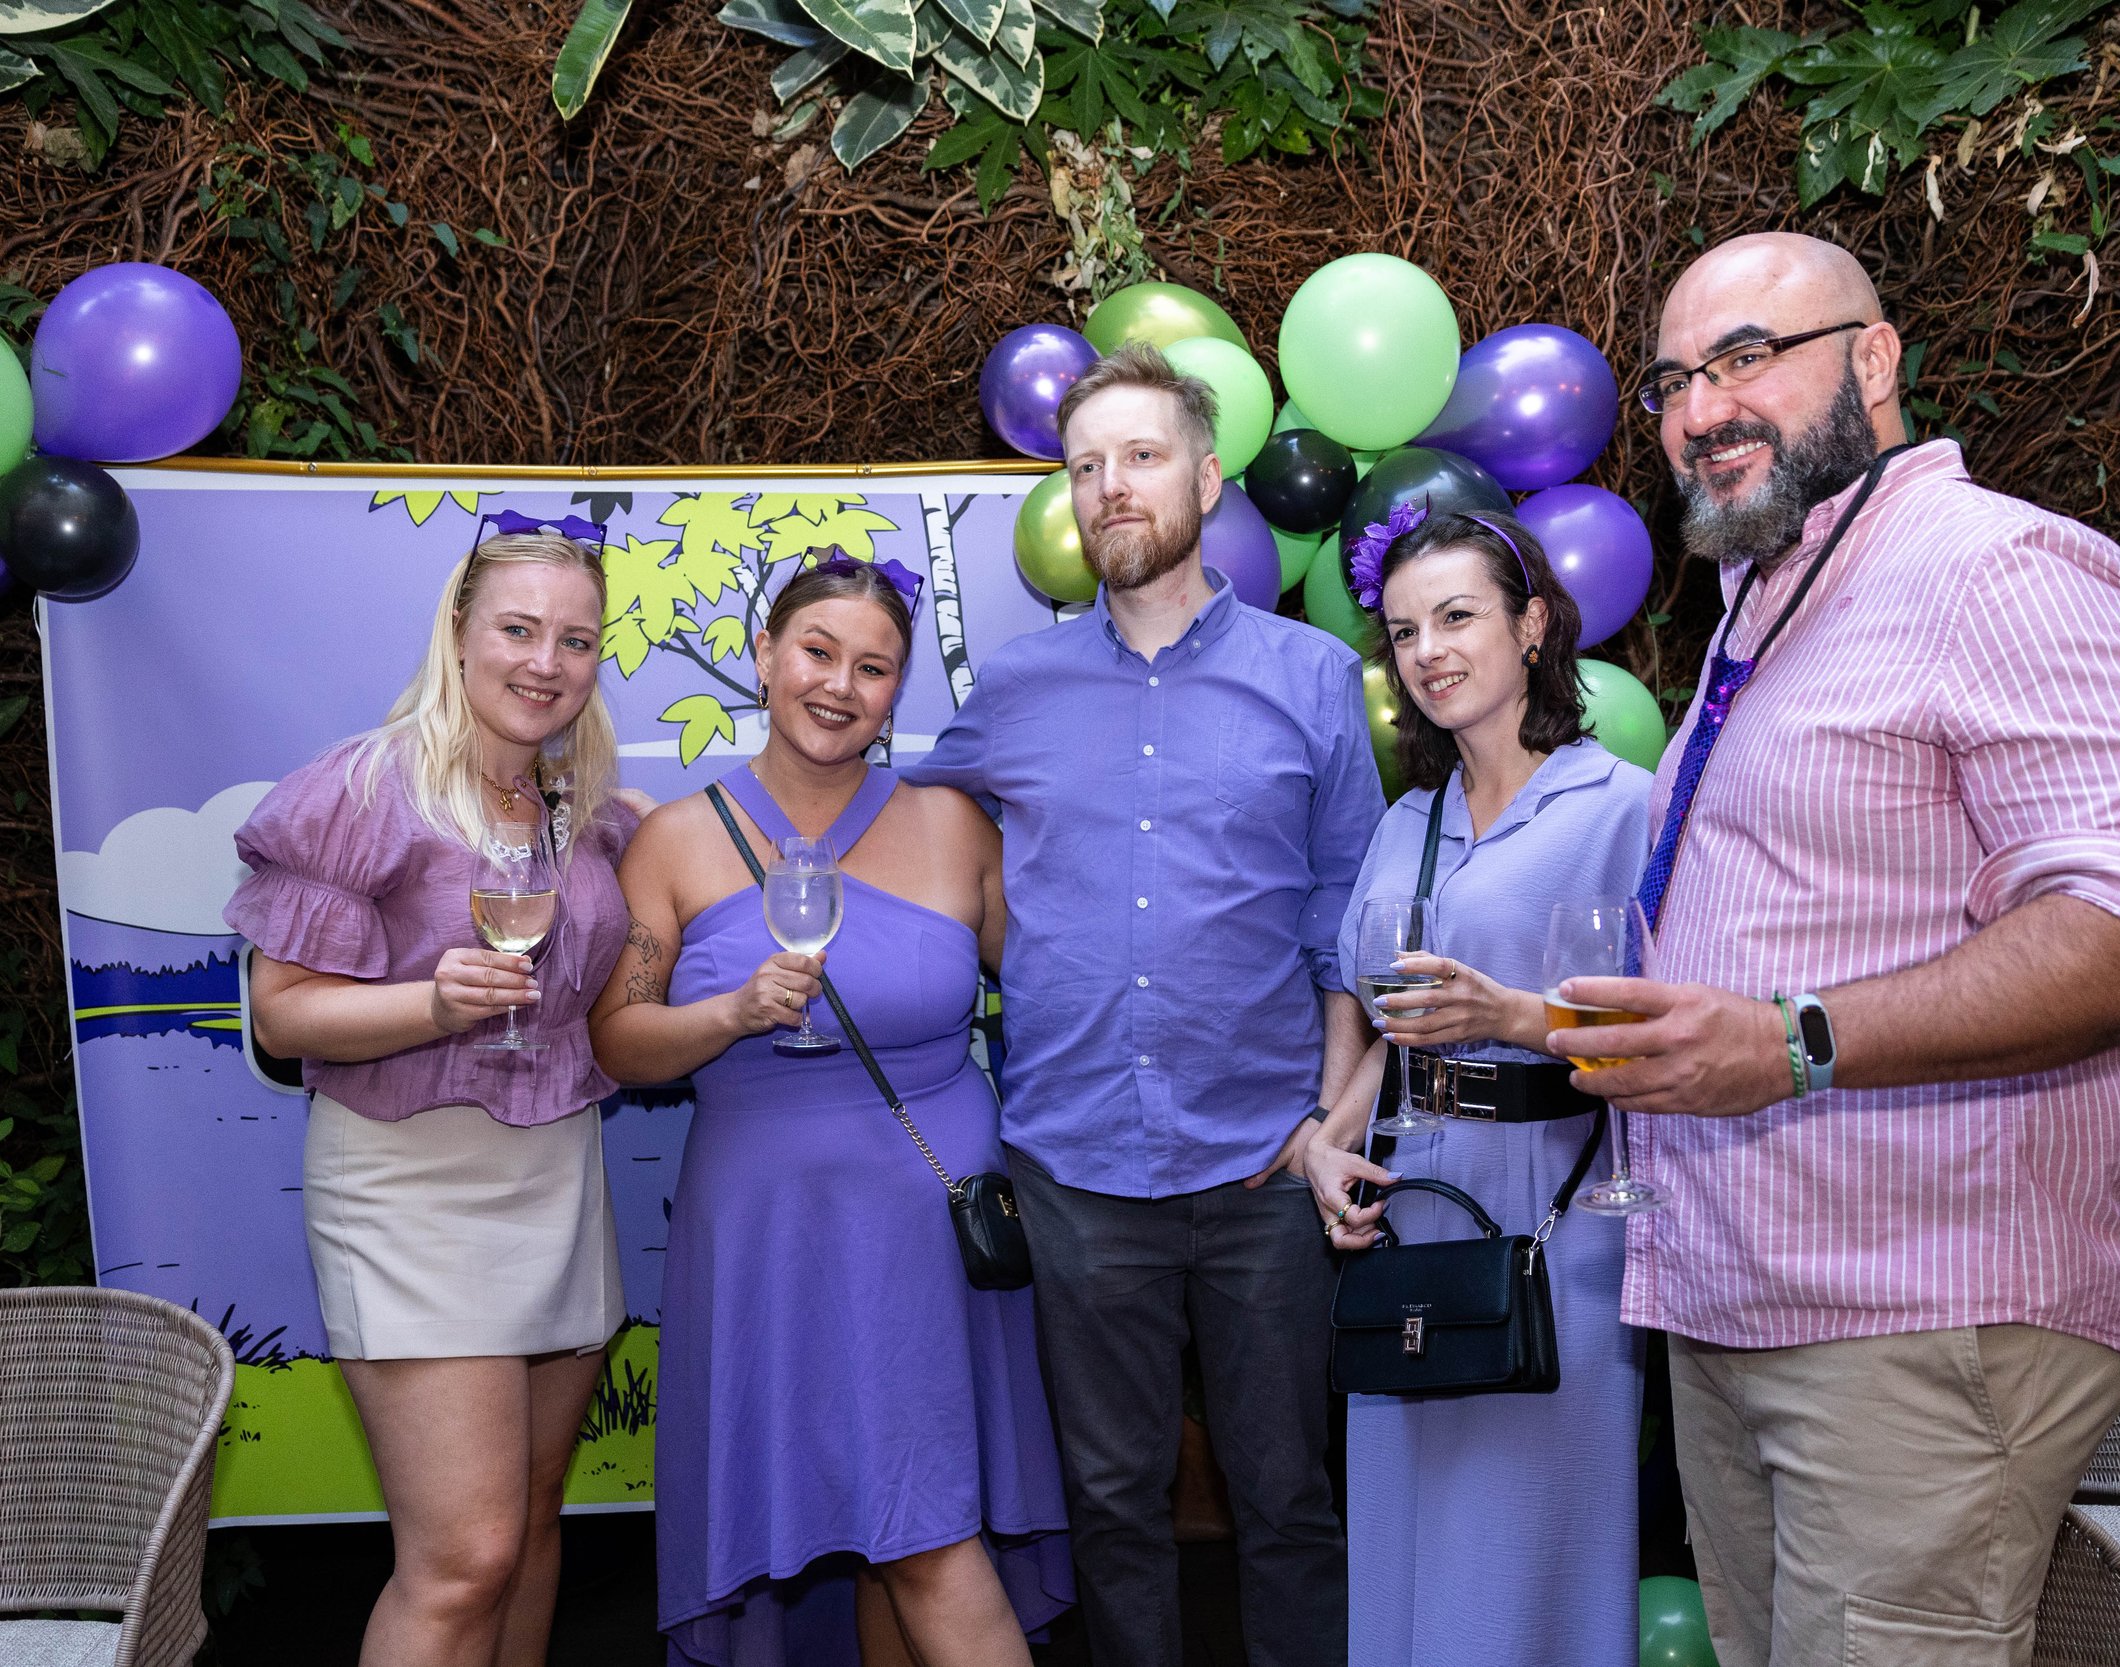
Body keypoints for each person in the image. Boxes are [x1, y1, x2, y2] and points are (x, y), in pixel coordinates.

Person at [1550, 232, 2120, 1665]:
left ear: (1875, 359)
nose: (1700, 409)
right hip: (1741, 1299)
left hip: (1916, 1319)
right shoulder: (1769, 601)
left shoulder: (2002, 569)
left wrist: (1793, 1040)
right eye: (1672, 380)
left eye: (1749, 356)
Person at [906, 342, 1382, 1667]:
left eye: (1142, 454)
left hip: (1264, 1168)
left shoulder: (1311, 678)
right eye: (1088, 464)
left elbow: (1346, 906)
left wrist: (1332, 1117)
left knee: (1286, 1501)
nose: (1114, 486)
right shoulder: (1011, 693)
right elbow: (904, 830)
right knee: (1111, 1507)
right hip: (1073, 1164)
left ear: (1206, 473)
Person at [587, 554, 1071, 1667]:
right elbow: (618, 1038)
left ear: (898, 690)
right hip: (767, 1230)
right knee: (883, 1527)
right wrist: (728, 1013)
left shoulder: (954, 825)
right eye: (816, 652)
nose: (839, 684)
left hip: (931, 1224)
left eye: (873, 666)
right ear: (766, 655)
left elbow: (1056, 984)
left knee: (917, 1524)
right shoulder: (676, 837)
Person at [229, 515, 637, 1667]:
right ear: (458, 632)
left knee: (530, 1523)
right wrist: (432, 1004)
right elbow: (282, 1012)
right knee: (461, 1558)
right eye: (517, 627)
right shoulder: (360, 787)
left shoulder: (585, 810)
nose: (544, 661)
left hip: (555, 1178)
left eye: (574, 638)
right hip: (408, 1190)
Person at [1301, 507, 1654, 1666]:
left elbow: (1669, 1027)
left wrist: (1512, 1015)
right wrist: (1327, 1138)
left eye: (1457, 616)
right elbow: (1382, 1023)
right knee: (1405, 1544)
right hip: (1413, 1218)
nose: (1429, 650)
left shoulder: (1620, 806)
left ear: (1533, 624)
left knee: (1525, 1551)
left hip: (1556, 1215)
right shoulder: (1407, 821)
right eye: (1403, 631)